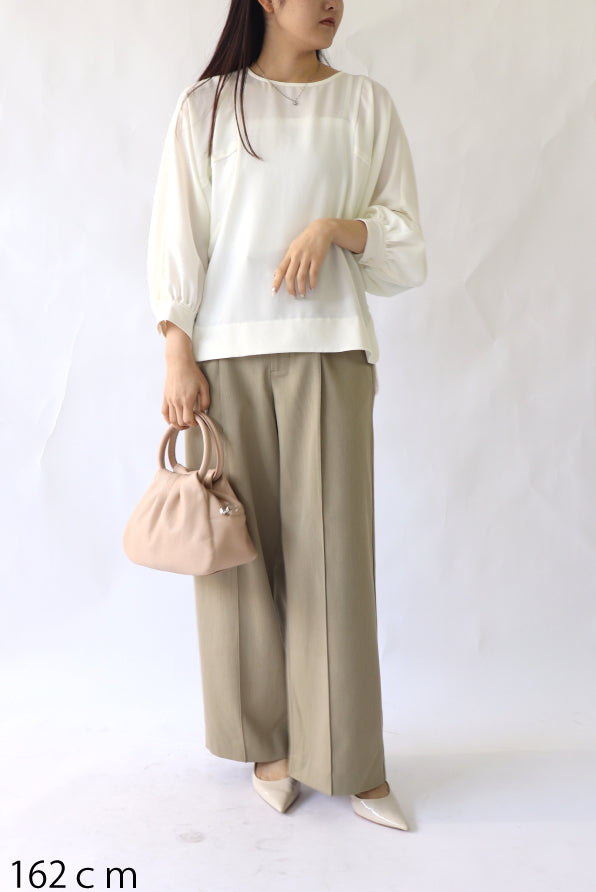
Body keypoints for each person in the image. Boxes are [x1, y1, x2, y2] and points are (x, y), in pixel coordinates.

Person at [147, 0, 427, 830]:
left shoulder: (364, 104)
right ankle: (266, 744)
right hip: (225, 355)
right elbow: (179, 235)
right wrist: (176, 352)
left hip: (331, 349)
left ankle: (351, 760)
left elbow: (405, 246)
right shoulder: (208, 106)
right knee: (235, 555)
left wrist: (337, 228)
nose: (332, 3)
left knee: (333, 560)